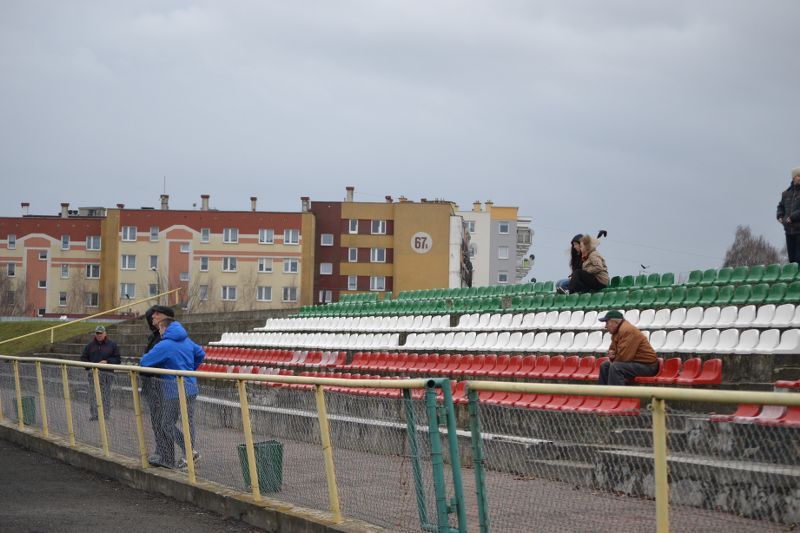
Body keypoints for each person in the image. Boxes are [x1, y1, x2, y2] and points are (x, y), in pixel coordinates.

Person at [140, 315, 205, 469]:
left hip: (173, 390)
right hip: (190, 387)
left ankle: (190, 452)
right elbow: (201, 353)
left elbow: (144, 362)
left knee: (166, 424)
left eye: (160, 329)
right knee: (188, 423)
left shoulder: (165, 345)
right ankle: (189, 455)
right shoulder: (186, 340)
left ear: (164, 328)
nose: (159, 332)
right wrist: (190, 369)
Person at [140, 305, 174, 467]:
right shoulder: (155, 336)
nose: (152, 317)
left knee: (162, 423)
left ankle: (167, 456)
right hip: (153, 385)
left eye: (156, 315)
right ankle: (162, 453)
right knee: (157, 422)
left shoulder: (165, 338)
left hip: (160, 385)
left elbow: (147, 361)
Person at [597, 310, 659, 385]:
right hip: (635, 363)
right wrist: (612, 355)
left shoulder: (627, 330)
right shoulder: (616, 332)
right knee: (605, 366)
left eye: (607, 323)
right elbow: (613, 350)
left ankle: (617, 396)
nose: (605, 326)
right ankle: (603, 394)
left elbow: (625, 358)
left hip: (648, 366)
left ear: (615, 322)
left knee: (616, 367)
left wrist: (614, 356)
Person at [80, 325, 121, 420]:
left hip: (107, 375)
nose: (99, 335)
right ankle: (94, 414)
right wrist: (90, 367)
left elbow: (118, 359)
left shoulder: (112, 345)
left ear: (105, 333)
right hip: (93, 374)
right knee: (93, 395)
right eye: (97, 333)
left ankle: (105, 415)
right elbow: (83, 358)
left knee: (106, 395)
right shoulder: (89, 346)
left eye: (100, 333)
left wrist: (107, 361)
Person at [777, 167, 800, 263]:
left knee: (799, 260)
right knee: (792, 261)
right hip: (789, 231)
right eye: (798, 176)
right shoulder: (786, 193)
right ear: (794, 177)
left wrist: (792, 217)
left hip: (799, 231)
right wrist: (780, 216)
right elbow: (780, 206)